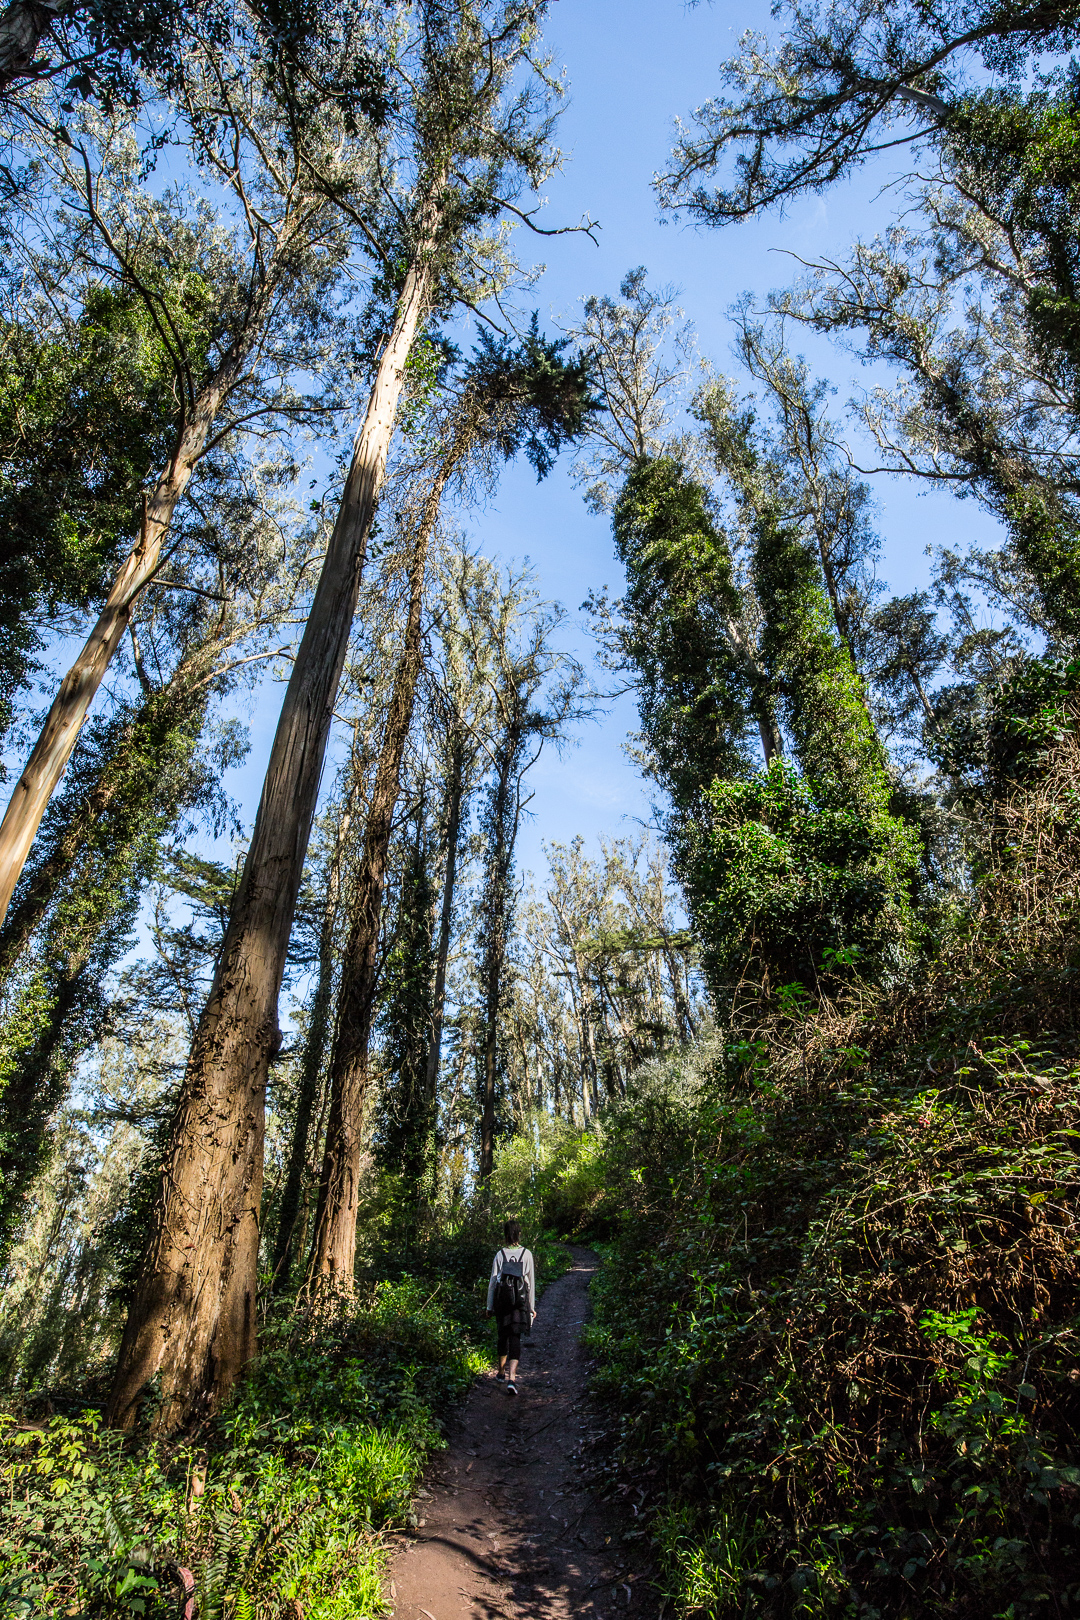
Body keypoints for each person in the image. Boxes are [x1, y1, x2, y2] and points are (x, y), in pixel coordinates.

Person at [486, 1219, 536, 1396]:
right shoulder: (527, 1254)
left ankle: (501, 1371)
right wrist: (531, 1307)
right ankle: (512, 1379)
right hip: (520, 1304)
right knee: (515, 1337)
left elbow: (493, 1282)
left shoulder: (500, 1255)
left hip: (502, 1303)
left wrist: (489, 1306)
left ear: (506, 1235)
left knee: (502, 1335)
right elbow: (530, 1283)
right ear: (518, 1234)